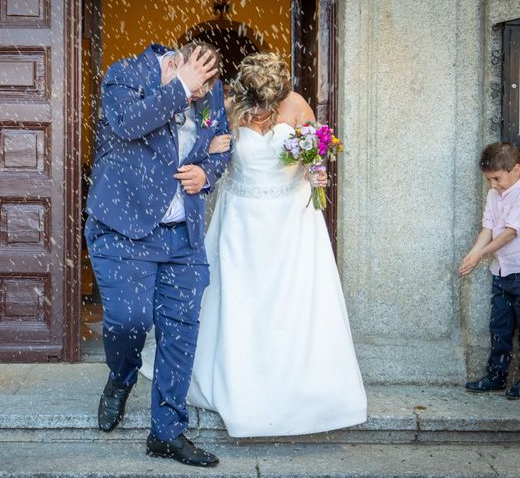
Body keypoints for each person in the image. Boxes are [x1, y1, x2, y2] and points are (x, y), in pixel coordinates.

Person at [186, 52, 368, 437]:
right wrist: (211, 148)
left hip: (293, 221)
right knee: (240, 297)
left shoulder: (298, 104)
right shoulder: (228, 107)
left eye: (268, 107)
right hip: (241, 221)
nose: (263, 115)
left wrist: (317, 172)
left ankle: (301, 385)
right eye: (257, 108)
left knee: (295, 298)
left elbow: (319, 150)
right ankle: (240, 382)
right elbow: (204, 147)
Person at [84, 42, 231, 467]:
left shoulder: (207, 90)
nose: (203, 98)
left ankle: (166, 432)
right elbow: (128, 123)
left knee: (180, 334)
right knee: (129, 320)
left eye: (206, 91)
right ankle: (122, 376)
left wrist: (207, 174)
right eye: (197, 86)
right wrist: (181, 89)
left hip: (181, 234)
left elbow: (221, 145)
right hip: (122, 227)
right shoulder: (125, 73)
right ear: (174, 64)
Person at [460, 142, 520, 400]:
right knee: (500, 326)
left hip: (518, 271)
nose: (493, 185)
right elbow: (488, 228)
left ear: (516, 170)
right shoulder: (494, 195)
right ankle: (496, 376)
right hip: (501, 271)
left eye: (497, 178)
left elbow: (509, 233)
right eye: (489, 180)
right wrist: (474, 253)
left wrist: (482, 254)